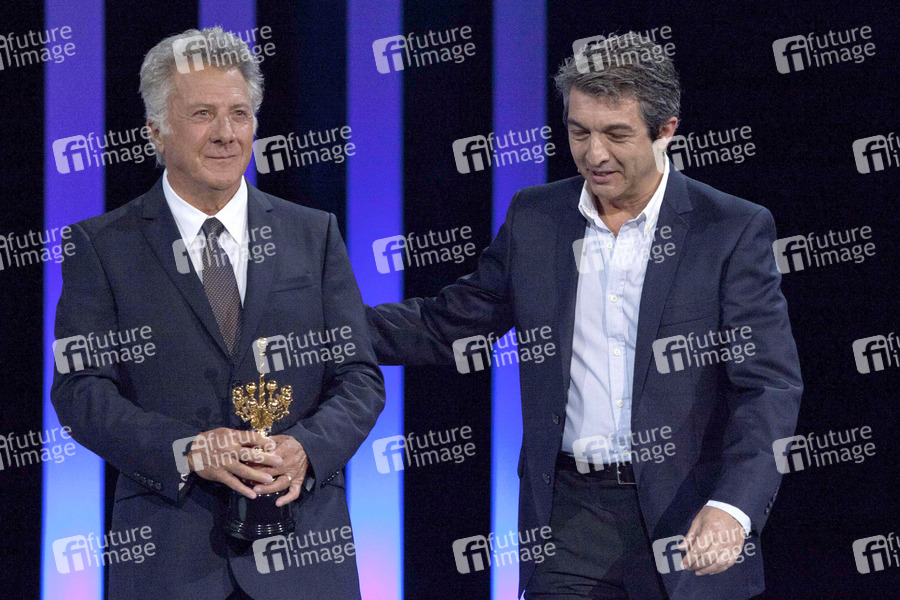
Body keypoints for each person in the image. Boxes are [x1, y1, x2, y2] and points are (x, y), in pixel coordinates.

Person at [367, 32, 802, 599]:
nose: (594, 154)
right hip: (567, 520)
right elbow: (445, 325)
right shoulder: (536, 218)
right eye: (579, 132)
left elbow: (767, 386)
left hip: (688, 515)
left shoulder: (730, 229)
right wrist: (319, 329)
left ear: (666, 129)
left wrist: (733, 507)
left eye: (616, 134)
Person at [51, 27, 384, 600]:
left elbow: (359, 377)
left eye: (239, 114)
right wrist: (187, 450)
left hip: (304, 556)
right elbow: (79, 392)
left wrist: (307, 449)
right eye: (203, 114)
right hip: (170, 561)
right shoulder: (102, 247)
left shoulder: (314, 235)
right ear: (156, 131)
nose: (226, 134)